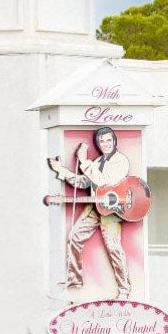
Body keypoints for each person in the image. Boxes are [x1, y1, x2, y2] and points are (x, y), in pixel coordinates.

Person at [46, 126, 132, 300]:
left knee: (114, 248)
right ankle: (74, 279)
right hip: (95, 206)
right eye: (102, 141)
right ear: (98, 143)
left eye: (109, 140)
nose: (105, 144)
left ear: (114, 140)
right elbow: (84, 182)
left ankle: (124, 290)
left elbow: (104, 181)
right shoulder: (98, 162)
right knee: (74, 237)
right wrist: (60, 170)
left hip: (111, 209)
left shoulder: (120, 161)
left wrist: (84, 161)